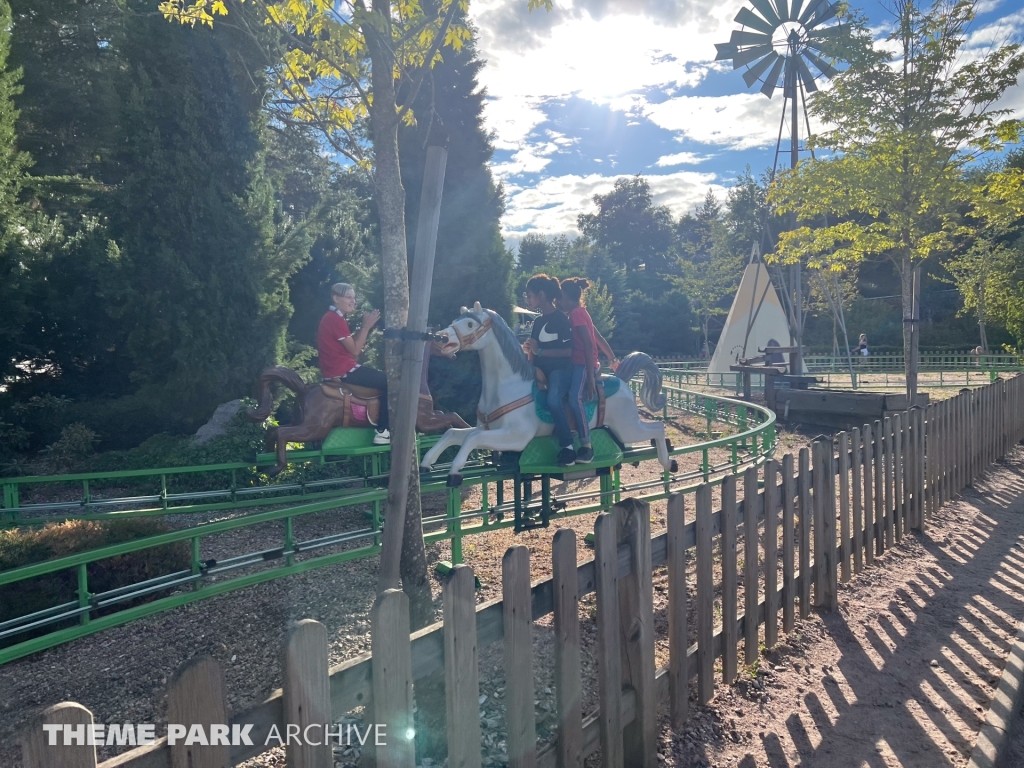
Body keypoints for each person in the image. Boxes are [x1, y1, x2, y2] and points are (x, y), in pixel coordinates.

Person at [317, 283, 390, 444]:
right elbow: (356, 350)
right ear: (336, 298)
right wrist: (366, 326)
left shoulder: (333, 318)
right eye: (349, 297)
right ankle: (383, 431)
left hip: (337, 368)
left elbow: (351, 347)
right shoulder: (335, 319)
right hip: (343, 370)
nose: (353, 301)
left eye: (354, 298)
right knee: (388, 382)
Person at [560, 277, 618, 464]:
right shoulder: (581, 312)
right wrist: (612, 357)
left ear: (567, 297)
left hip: (583, 364)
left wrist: (591, 377)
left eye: (560, 298)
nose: (559, 302)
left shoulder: (576, 314)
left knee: (574, 398)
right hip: (579, 363)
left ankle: (587, 445)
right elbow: (597, 336)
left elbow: (588, 343)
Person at [521, 274, 576, 466]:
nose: (527, 299)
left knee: (553, 399)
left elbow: (568, 351)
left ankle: (568, 447)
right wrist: (529, 354)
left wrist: (540, 350)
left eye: (529, 295)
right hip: (540, 371)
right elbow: (534, 351)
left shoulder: (561, 319)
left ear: (542, 295)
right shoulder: (537, 322)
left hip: (561, 370)